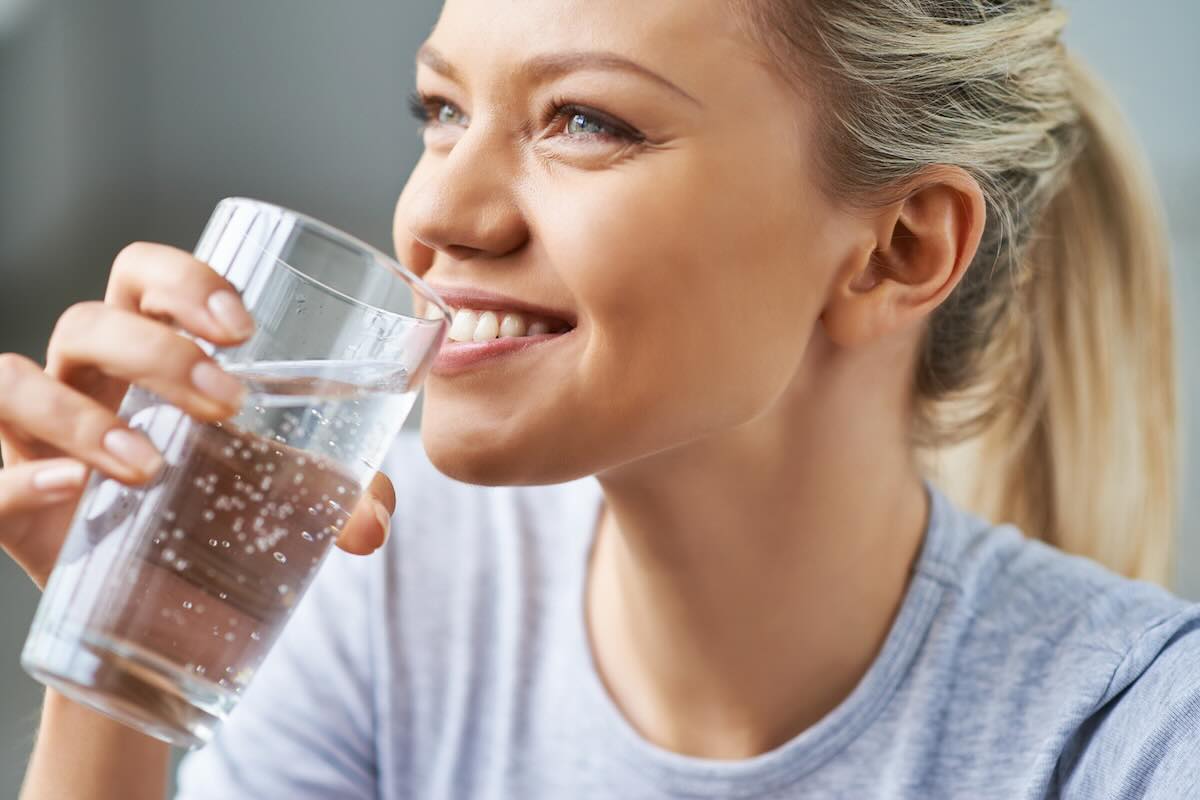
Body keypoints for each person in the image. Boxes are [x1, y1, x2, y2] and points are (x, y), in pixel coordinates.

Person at [5, 0, 1197, 797]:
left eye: (586, 121)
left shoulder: (1133, 735)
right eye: (442, 112)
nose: (436, 217)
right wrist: (124, 661)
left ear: (896, 249)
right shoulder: (380, 594)